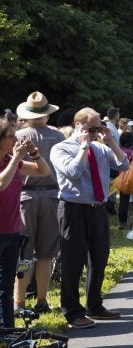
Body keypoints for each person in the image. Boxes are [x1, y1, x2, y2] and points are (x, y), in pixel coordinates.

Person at [50, 108, 128, 329]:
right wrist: (84, 146)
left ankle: (94, 304)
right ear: (79, 126)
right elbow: (73, 172)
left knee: (99, 258)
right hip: (73, 208)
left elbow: (124, 165)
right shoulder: (61, 148)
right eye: (92, 129)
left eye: (99, 128)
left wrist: (111, 141)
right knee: (73, 261)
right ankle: (73, 311)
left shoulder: (101, 148)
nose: (96, 133)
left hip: (98, 208)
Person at [12, 92, 64, 315]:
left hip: (25, 197)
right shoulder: (58, 136)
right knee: (46, 253)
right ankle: (42, 300)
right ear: (47, 114)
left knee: (24, 253)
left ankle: (19, 301)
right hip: (52, 196)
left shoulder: (17, 135)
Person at [0, 117, 51, 328]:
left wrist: (35, 153)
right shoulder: (11, 161)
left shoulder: (11, 159)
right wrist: (15, 159)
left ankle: (8, 329)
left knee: (6, 284)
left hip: (12, 230)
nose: (15, 139)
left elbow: (44, 171)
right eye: (11, 136)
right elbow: (1, 184)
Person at [117, 132, 133, 229]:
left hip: (121, 179)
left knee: (123, 201)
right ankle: (131, 222)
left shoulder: (119, 151)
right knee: (132, 201)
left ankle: (122, 222)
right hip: (132, 178)